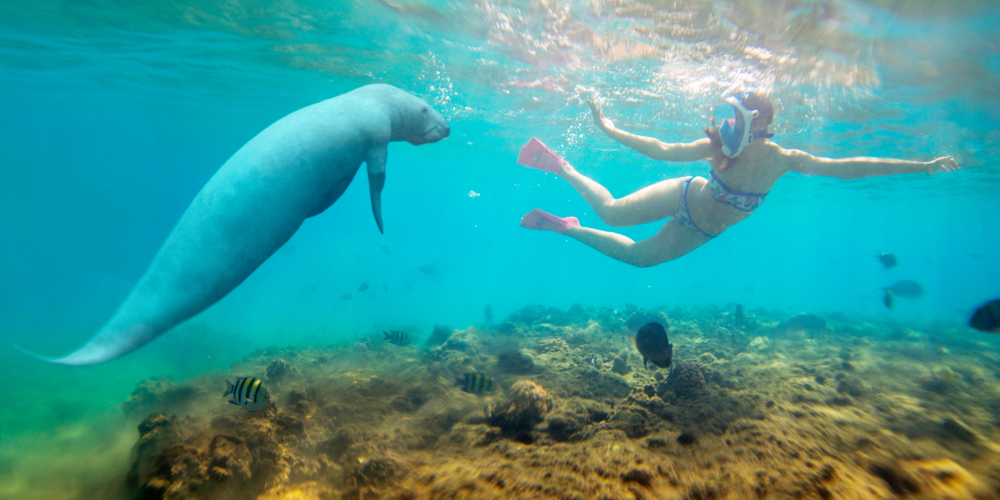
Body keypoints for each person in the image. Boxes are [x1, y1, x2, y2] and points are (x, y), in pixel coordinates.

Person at [518, 91, 961, 268]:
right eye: (724, 120)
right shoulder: (719, 146)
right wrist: (609, 129)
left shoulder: (783, 159)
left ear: (759, 124)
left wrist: (921, 166)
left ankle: (568, 228)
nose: (725, 130)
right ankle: (563, 166)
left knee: (640, 260)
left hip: (704, 228)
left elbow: (850, 167)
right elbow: (662, 150)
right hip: (686, 195)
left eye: (735, 122)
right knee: (612, 212)